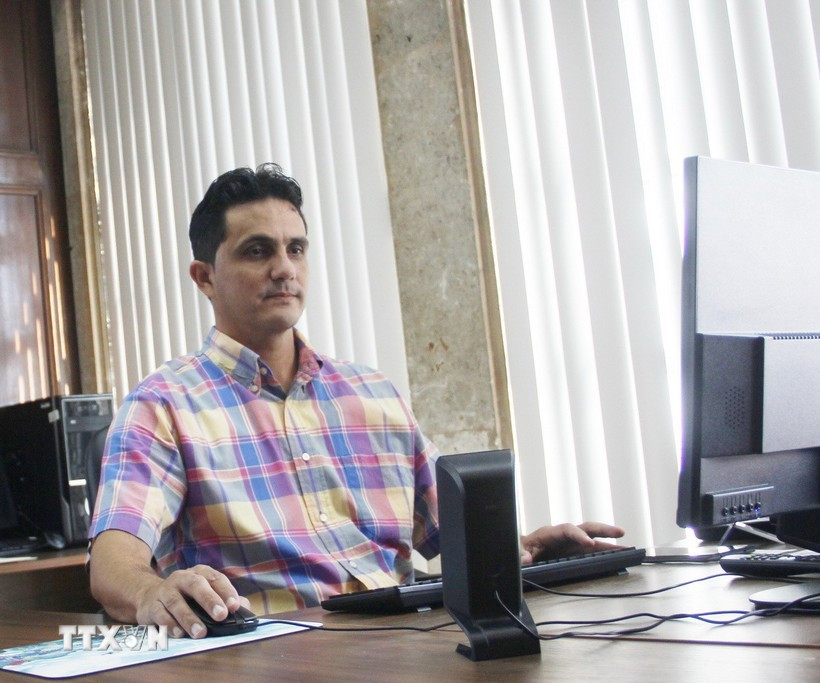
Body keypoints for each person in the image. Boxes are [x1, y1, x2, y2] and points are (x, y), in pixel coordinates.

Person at [88, 163, 624, 639]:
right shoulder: (164, 405)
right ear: (204, 277)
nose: (284, 268)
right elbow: (113, 564)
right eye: (258, 250)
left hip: (412, 645)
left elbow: (452, 536)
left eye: (295, 248)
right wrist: (150, 592)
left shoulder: (372, 393)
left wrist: (525, 548)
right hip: (277, 656)